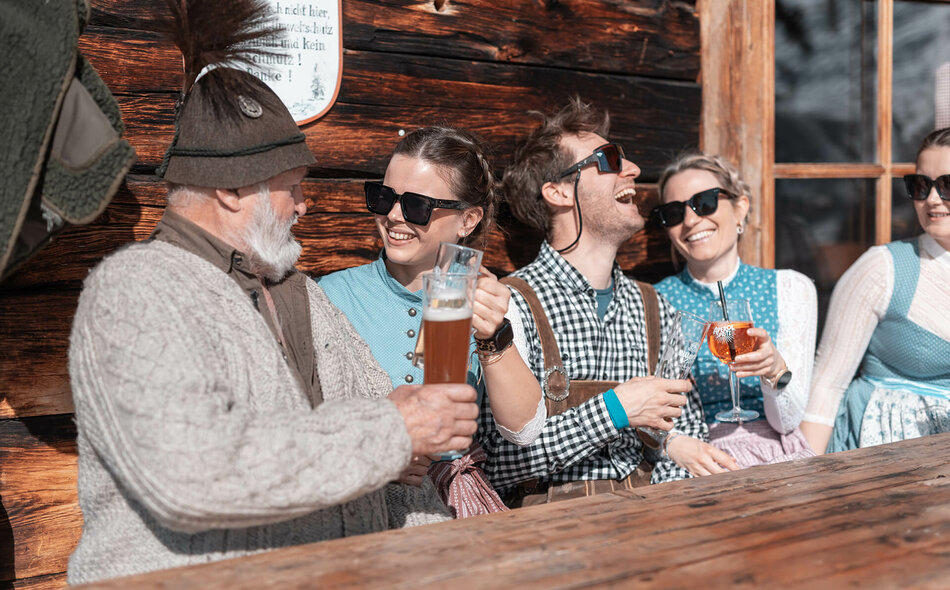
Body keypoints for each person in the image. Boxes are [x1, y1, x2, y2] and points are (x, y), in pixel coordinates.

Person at [66, 3, 477, 584]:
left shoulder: (301, 293)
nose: (304, 207)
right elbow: (193, 474)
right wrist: (389, 432)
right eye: (292, 189)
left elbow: (395, 471)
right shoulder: (133, 291)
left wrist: (451, 559)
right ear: (232, 190)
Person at [484, 98, 737, 507]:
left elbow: (687, 433)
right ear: (558, 191)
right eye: (610, 159)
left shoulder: (656, 306)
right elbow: (495, 464)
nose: (632, 169)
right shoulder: (510, 305)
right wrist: (615, 411)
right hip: (550, 529)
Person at [318, 126, 545, 517]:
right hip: (356, 502)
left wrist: (493, 337)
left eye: (417, 205)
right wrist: (374, 448)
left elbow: (524, 429)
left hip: (449, 505)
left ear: (467, 219)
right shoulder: (330, 295)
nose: (393, 215)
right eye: (384, 197)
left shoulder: (486, 298)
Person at [653, 151, 816, 467]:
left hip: (775, 454)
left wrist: (773, 369)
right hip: (697, 458)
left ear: (740, 208)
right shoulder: (654, 300)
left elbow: (788, 422)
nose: (690, 220)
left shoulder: (790, 289)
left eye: (704, 203)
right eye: (673, 212)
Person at [801, 127, 950, 454]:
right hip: (884, 447)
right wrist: (802, 474)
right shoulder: (882, 267)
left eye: (947, 185)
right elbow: (828, 384)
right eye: (921, 185)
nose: (932, 199)